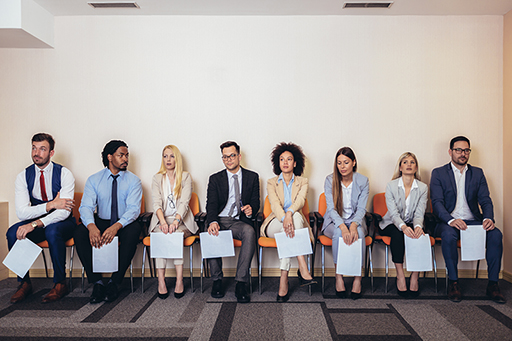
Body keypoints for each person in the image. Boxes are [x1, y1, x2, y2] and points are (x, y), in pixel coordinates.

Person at [430, 136, 505, 303]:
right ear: (450, 152)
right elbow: (437, 203)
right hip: (448, 222)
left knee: (496, 235)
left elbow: (485, 199)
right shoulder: (439, 173)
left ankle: (493, 284)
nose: (462, 154)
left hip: (473, 221)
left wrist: (488, 218)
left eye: (466, 150)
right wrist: (450, 220)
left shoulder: (477, 173)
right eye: (458, 150)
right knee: (448, 236)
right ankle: (454, 282)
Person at [7, 133, 76, 303]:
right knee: (12, 233)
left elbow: (64, 212)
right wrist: (51, 204)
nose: (36, 153)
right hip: (38, 222)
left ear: (51, 153)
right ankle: (24, 283)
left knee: (52, 231)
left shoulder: (65, 174)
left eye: (42, 149)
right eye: (34, 148)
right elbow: (22, 213)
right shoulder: (23, 176)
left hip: (62, 223)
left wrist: (36, 222)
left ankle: (60, 283)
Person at [75, 140, 143, 304]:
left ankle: (114, 282)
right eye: (121, 155)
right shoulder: (94, 180)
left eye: (127, 155)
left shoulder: (134, 181)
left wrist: (117, 226)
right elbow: (85, 207)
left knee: (134, 231)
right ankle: (97, 282)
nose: (125, 159)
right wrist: (91, 226)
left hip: (123, 223)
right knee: (79, 233)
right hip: (101, 221)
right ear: (110, 157)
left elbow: (133, 210)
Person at [260, 142, 316, 303]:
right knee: (293, 223)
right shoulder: (272, 182)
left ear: (295, 163)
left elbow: (300, 201)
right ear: (278, 163)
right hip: (275, 223)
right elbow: (275, 204)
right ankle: (302, 264)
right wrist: (285, 218)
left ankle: (283, 278)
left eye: (289, 159)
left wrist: (290, 214)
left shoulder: (303, 182)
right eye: (282, 159)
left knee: (296, 218)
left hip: (293, 223)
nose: (285, 162)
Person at [206, 141, 260, 303]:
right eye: (225, 157)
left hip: (238, 221)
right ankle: (217, 280)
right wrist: (213, 221)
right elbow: (211, 204)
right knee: (210, 232)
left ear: (239, 156)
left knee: (250, 231)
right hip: (220, 219)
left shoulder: (252, 177)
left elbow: (255, 202)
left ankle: (241, 282)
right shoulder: (215, 179)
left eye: (232, 156)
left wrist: (252, 209)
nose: (229, 160)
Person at [149, 145, 198, 299]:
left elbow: (184, 203)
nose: (168, 160)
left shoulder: (185, 177)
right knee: (161, 236)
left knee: (175, 235)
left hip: (182, 221)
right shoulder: (157, 178)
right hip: (161, 220)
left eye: (171, 156)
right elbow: (156, 204)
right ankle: (161, 281)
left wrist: (176, 222)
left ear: (177, 158)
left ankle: (179, 280)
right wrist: (163, 223)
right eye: (165, 156)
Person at [321, 147, 368, 299]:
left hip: (356, 220)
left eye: (346, 162)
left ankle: (357, 279)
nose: (342, 166)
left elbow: (361, 209)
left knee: (359, 234)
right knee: (338, 234)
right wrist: (342, 227)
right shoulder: (330, 180)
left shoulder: (362, 181)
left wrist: (353, 225)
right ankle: (338, 277)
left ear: (353, 163)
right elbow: (331, 209)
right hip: (334, 221)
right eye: (339, 163)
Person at [379, 152, 428, 298]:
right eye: (405, 162)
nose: (408, 165)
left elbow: (419, 214)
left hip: (413, 222)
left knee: (419, 235)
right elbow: (393, 214)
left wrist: (418, 227)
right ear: (400, 167)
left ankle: (414, 276)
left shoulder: (423, 188)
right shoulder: (391, 186)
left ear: (416, 167)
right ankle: (400, 275)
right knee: (398, 234)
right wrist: (403, 227)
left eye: (412, 162)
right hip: (391, 223)